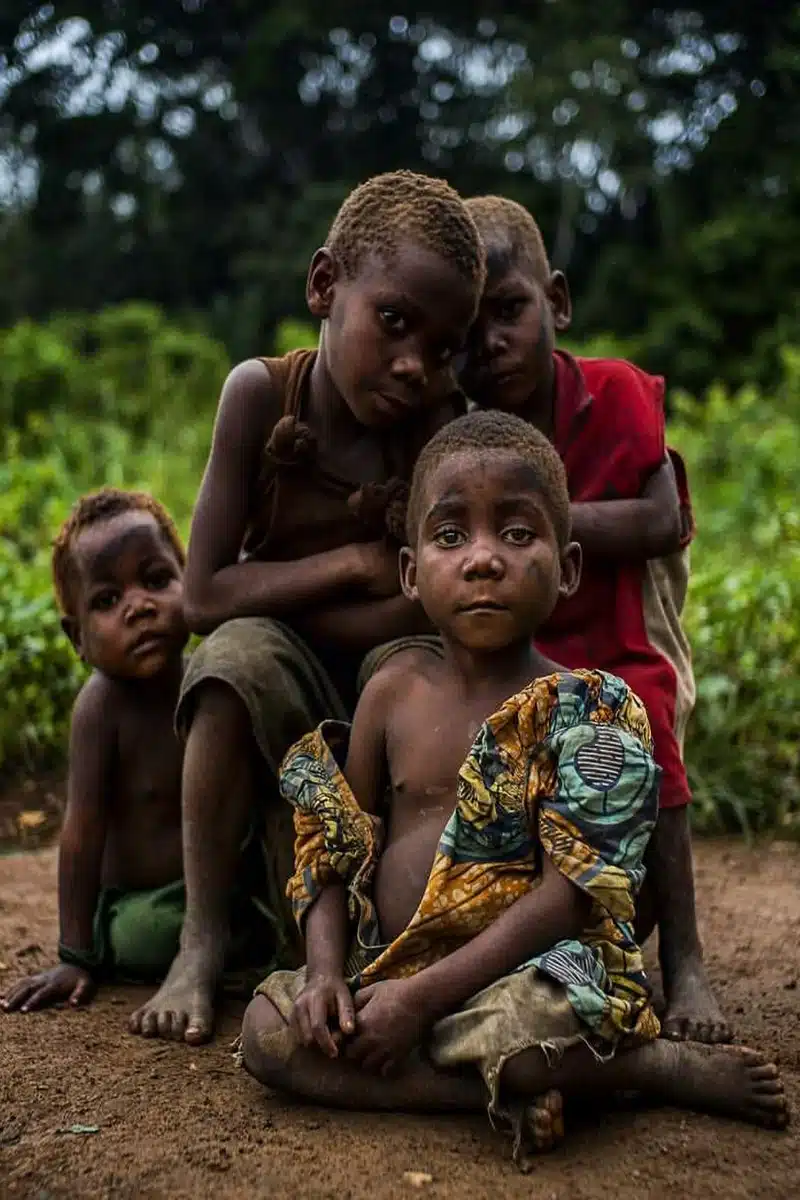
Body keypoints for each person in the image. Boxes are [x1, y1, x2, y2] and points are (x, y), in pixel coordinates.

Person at [239, 412, 787, 1166]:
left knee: (530, 1037)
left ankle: (652, 1068)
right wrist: (329, 975)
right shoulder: (390, 693)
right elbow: (337, 849)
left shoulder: (590, 713)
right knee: (267, 1038)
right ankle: (486, 1094)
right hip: (390, 967)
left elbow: (568, 899)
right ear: (411, 571)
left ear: (566, 569)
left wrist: (424, 1002)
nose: (484, 560)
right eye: (452, 535)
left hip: (525, 978)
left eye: (517, 534)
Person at [128, 171, 486, 1045]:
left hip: (377, 685)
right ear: (325, 286)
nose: (414, 365)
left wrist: (339, 606)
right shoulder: (259, 394)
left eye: (443, 347)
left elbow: (424, 618)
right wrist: (354, 563)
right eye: (395, 322)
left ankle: (392, 934)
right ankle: (202, 941)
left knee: (416, 675)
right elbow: (204, 596)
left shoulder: (441, 430)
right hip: (275, 683)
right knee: (232, 664)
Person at [459, 194, 728, 1045]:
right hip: (504, 643)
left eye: (510, 312)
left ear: (558, 302)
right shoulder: (457, 433)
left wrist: (534, 523)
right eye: (468, 326)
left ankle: (683, 961)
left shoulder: (612, 393)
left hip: (611, 641)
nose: (491, 342)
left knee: (641, 715)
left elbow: (661, 521)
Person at [2, 489, 191, 1013]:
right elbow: (81, 832)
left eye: (156, 580)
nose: (139, 607)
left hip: (214, 895)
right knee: (144, 936)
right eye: (107, 601)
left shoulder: (211, 680)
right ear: (76, 637)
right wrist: (74, 953)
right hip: (142, 903)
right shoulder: (101, 710)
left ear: (190, 577)